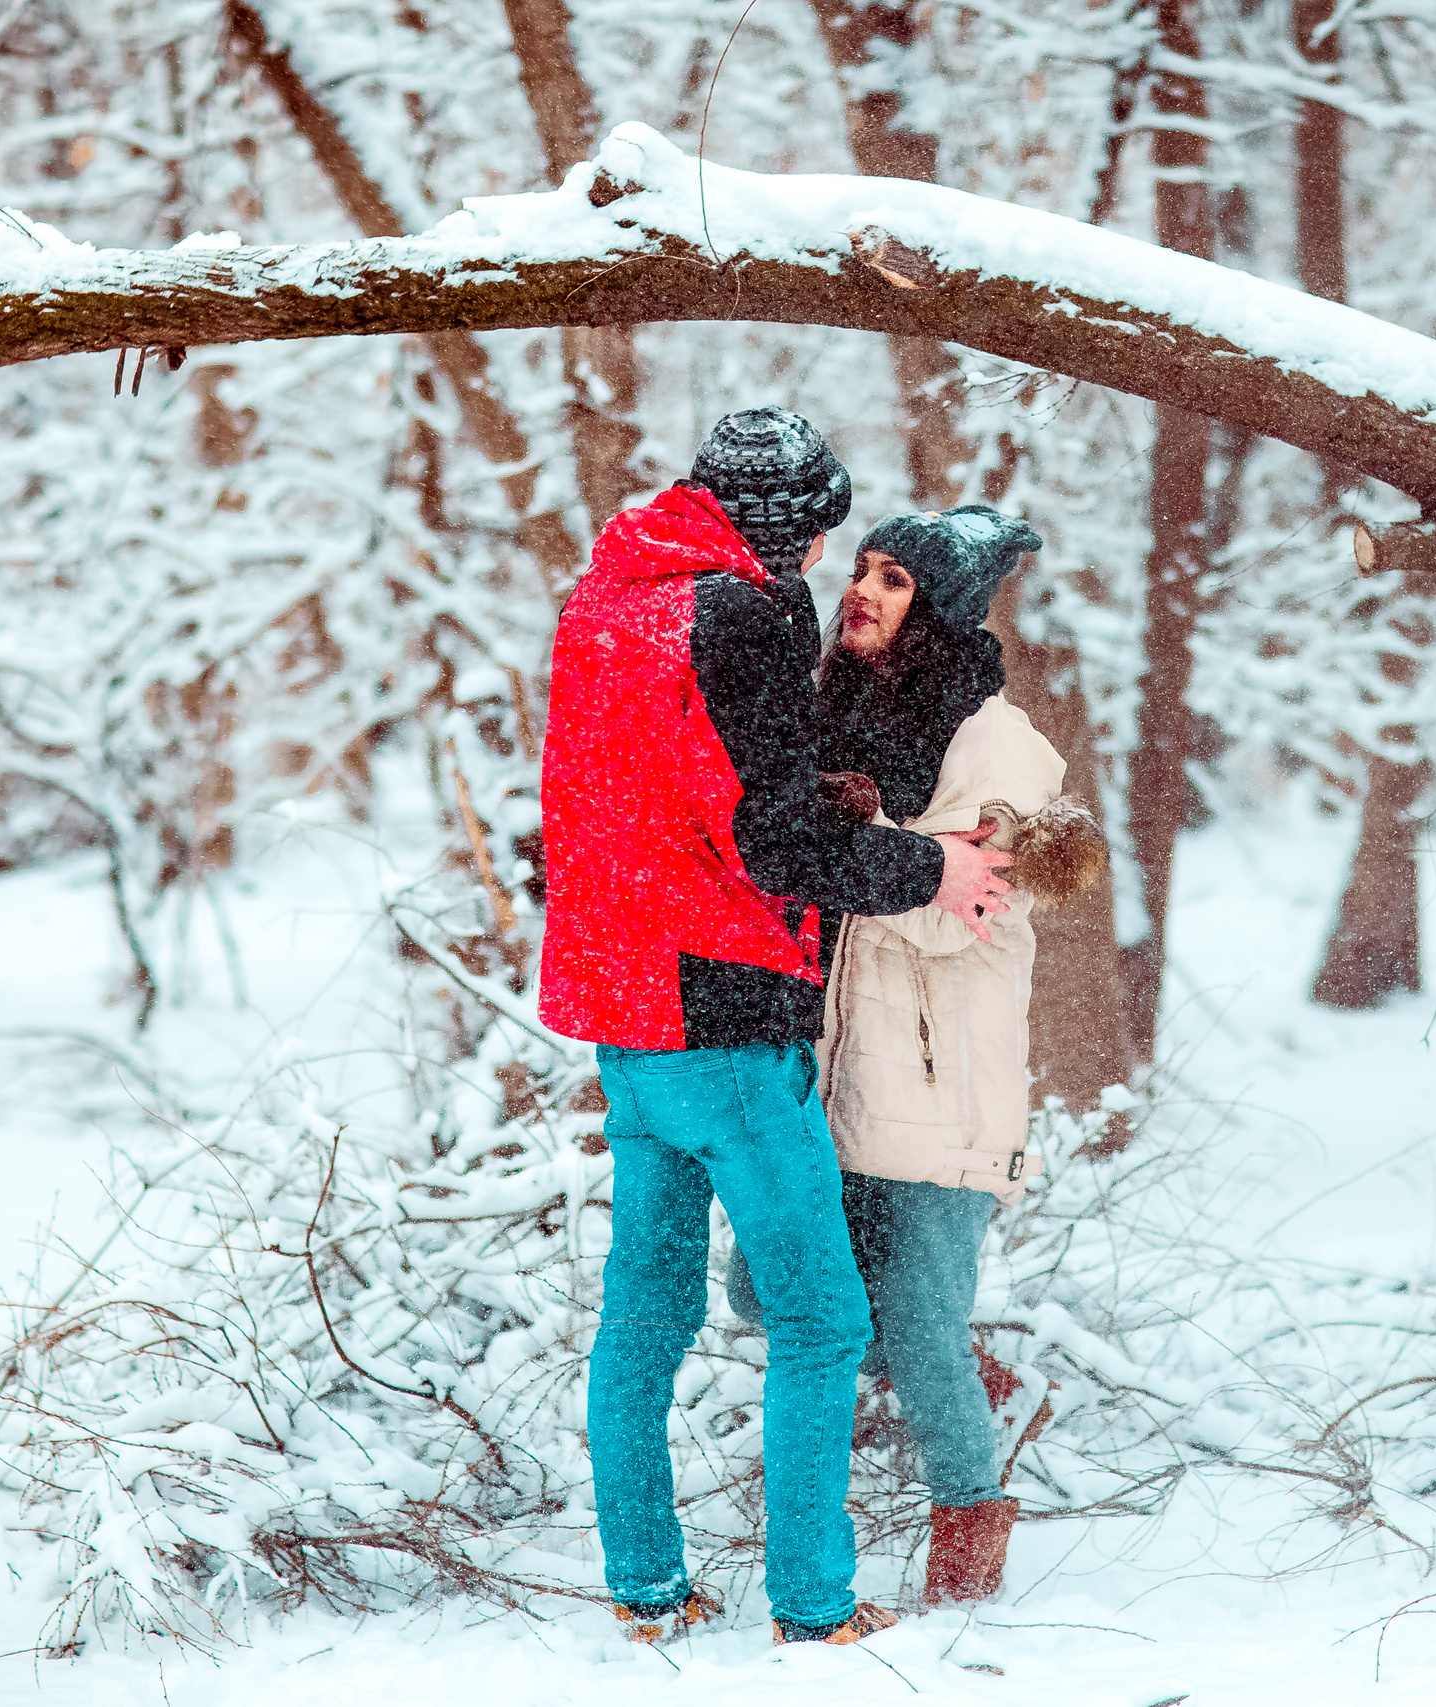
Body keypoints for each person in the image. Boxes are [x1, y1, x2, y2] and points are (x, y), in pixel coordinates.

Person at [538, 410, 1014, 1648]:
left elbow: (654, 799)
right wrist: (933, 868)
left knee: (644, 1314)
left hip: (625, 1016)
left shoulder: (603, 599)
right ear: (782, 525)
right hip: (729, 1020)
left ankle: (648, 1589)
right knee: (819, 1317)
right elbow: (778, 843)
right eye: (814, 538)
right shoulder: (744, 612)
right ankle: (813, 1603)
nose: (818, 564)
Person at [733, 505, 1104, 1609]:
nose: (863, 593)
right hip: (835, 1072)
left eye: (894, 581)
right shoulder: (832, 713)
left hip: (943, 1081)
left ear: (935, 611)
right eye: (863, 570)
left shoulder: (1000, 747)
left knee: (917, 1314)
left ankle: (968, 1537)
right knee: (765, 1288)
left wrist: (839, 845)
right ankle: (982, 1389)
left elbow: (952, 912)